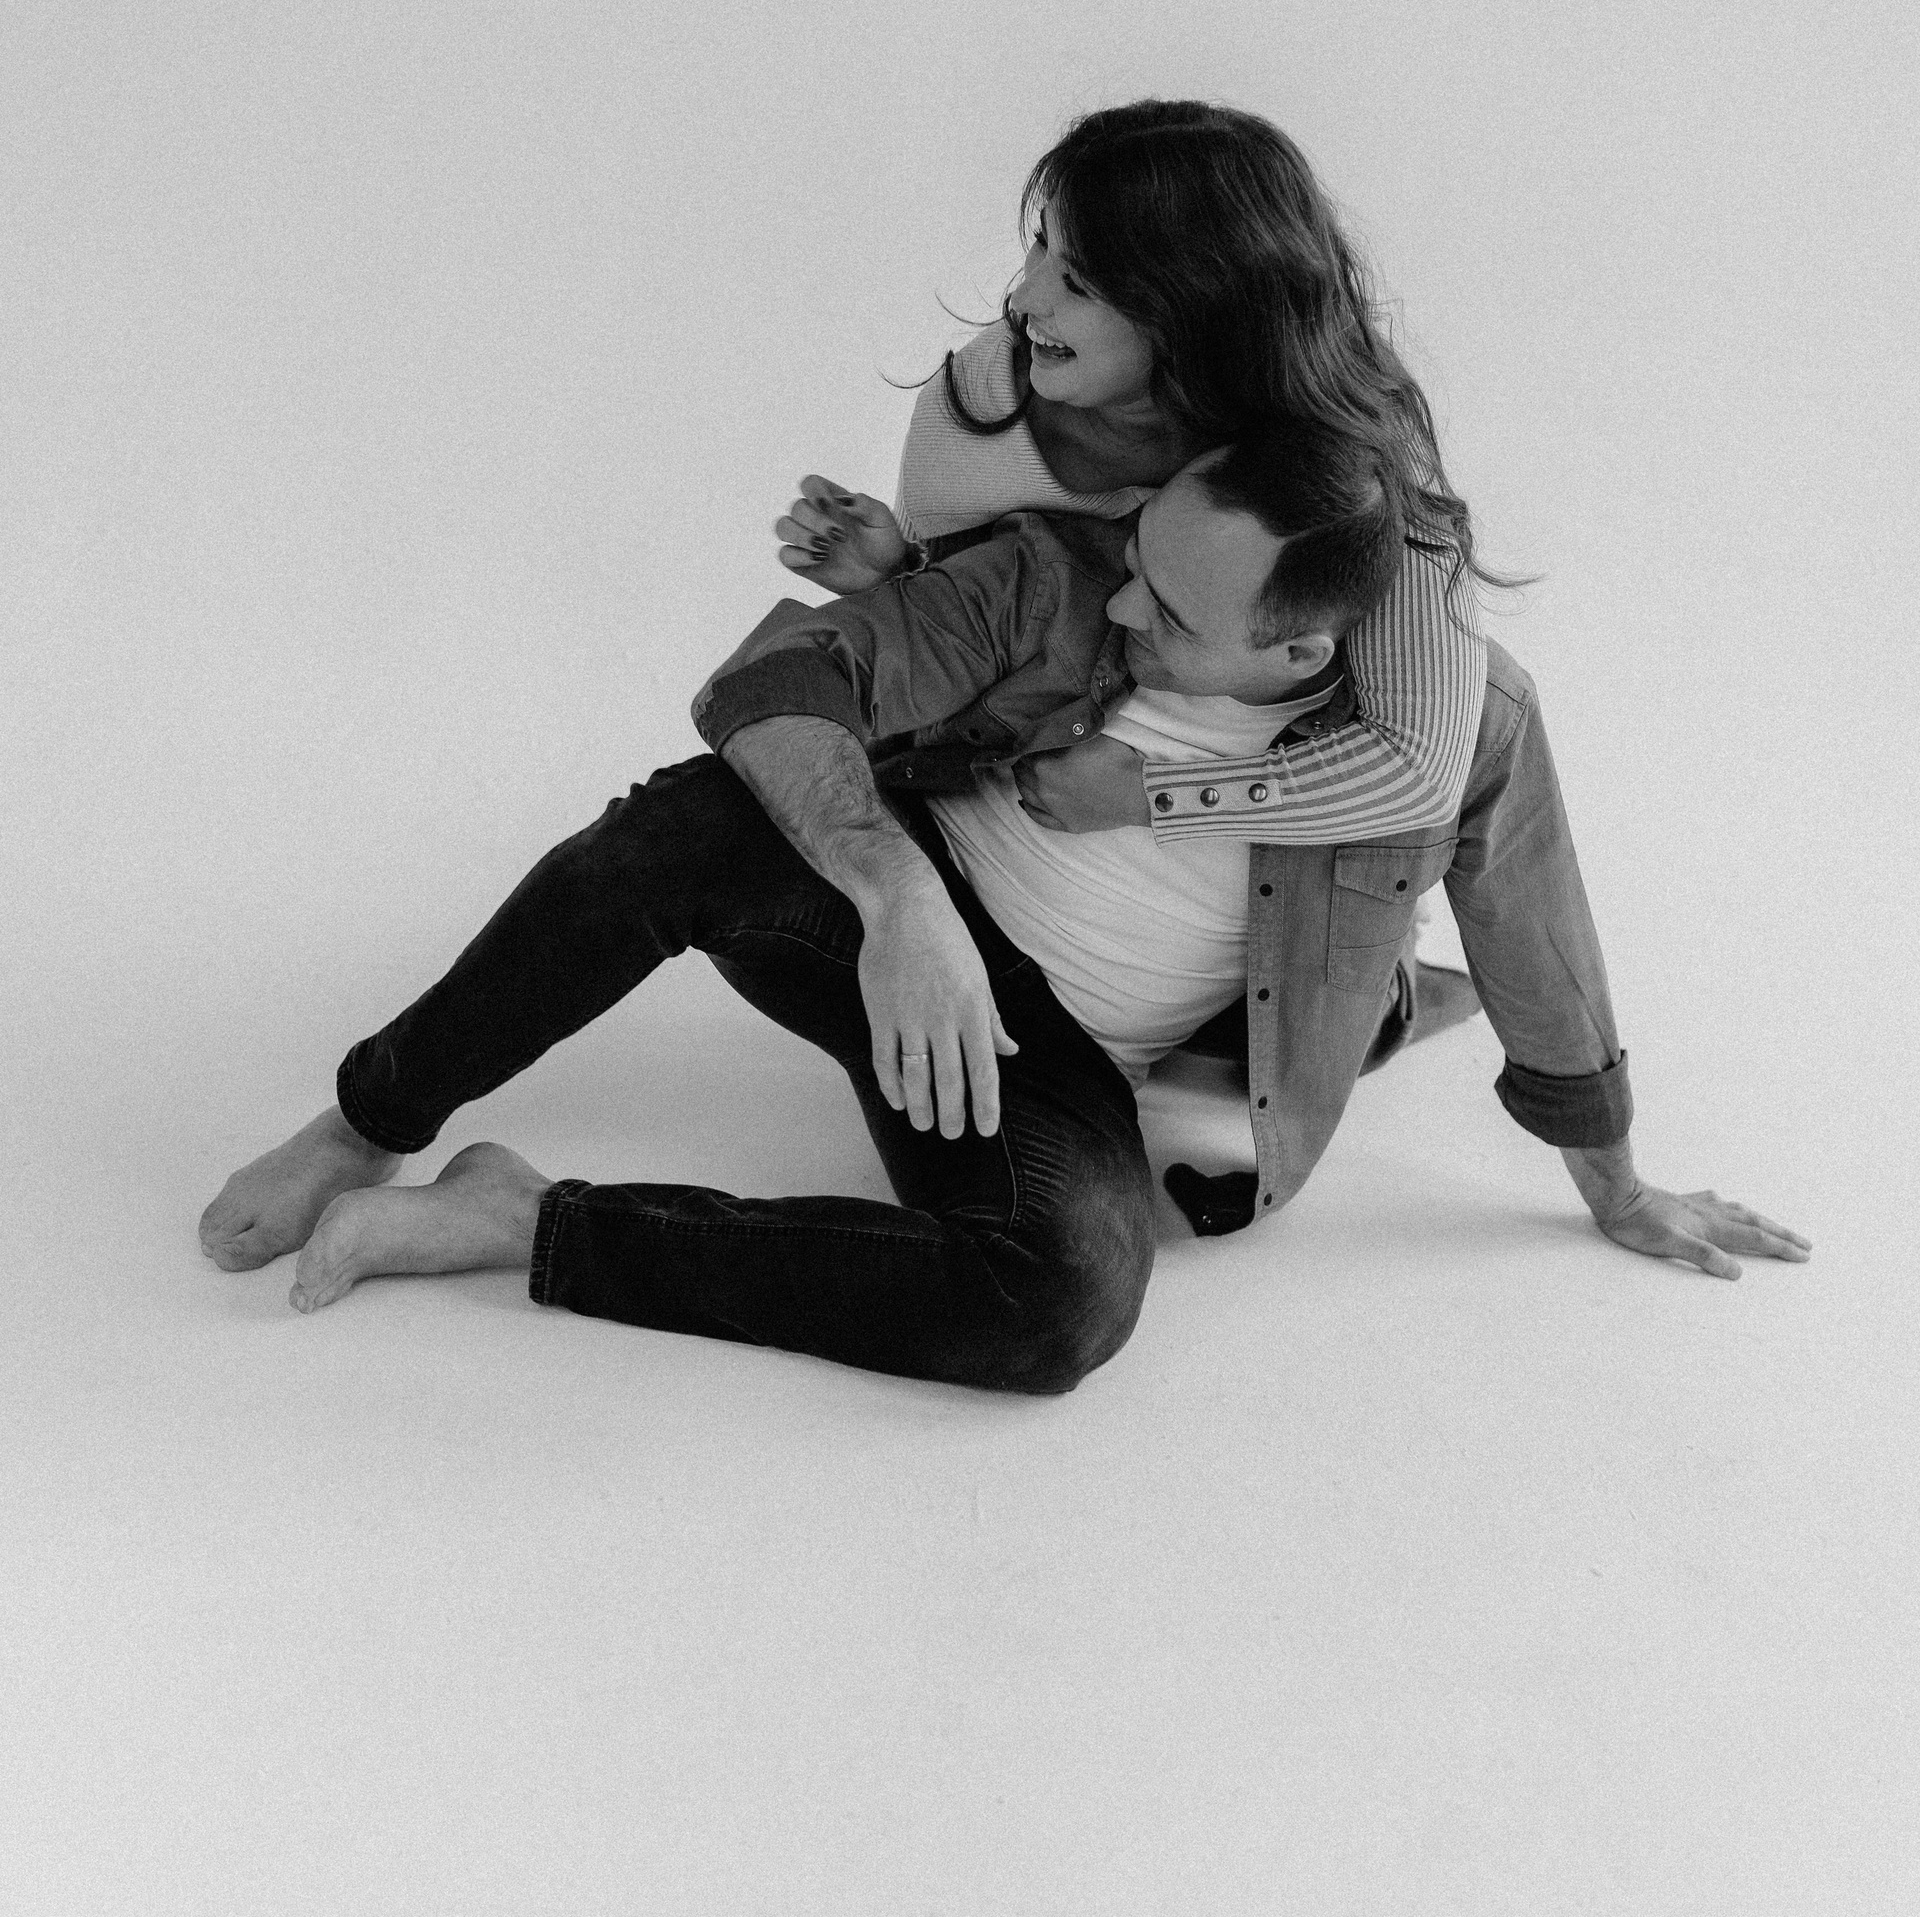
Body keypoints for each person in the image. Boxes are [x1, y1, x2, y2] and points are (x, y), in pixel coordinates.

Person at [199, 426, 1807, 1389]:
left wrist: (1615, 1187)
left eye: (1171, 607)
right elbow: (780, 678)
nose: (1126, 599)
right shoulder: (1066, 581)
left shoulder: (1457, 733)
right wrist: (900, 900)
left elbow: (1542, 928)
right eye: (1137, 558)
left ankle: (522, 1220)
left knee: (1066, 1307)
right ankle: (369, 1122)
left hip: (1074, 1069)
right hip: (910, 934)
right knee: (683, 826)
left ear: (1300, 651)